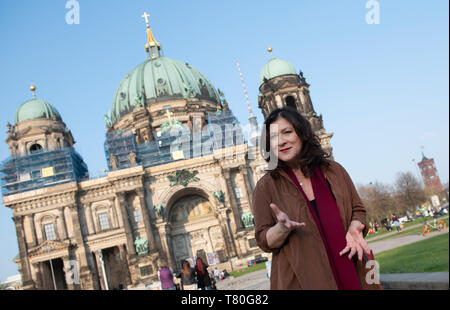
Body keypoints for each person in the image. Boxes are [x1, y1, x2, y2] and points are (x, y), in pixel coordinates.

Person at [252, 107, 382, 290]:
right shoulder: (265, 187)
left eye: (287, 132)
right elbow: (263, 240)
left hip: (355, 268)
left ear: (302, 133)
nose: (281, 141)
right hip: (301, 281)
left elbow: (358, 210)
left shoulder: (334, 171)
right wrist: (281, 228)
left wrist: (355, 226)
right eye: (273, 137)